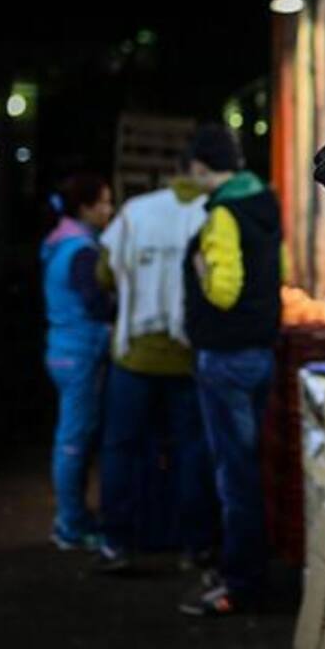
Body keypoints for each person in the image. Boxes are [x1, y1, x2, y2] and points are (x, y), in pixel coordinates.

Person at [176, 125, 282, 616]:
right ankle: (247, 569)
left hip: (226, 357)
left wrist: (200, 268)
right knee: (246, 467)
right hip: (260, 353)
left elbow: (224, 291)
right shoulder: (265, 201)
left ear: (201, 166)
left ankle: (241, 582)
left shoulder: (223, 213)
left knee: (233, 474)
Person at [94, 165, 215, 573]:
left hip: (134, 356)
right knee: (190, 450)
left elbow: (105, 273)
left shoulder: (133, 212)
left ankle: (117, 542)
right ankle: (194, 545)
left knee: (121, 449)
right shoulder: (207, 212)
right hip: (185, 356)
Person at [41, 173, 115, 550]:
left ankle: (74, 518)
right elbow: (95, 304)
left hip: (64, 348)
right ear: (85, 208)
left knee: (74, 436)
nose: (109, 209)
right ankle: (71, 525)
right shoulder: (81, 250)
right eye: (103, 202)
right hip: (79, 352)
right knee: (74, 440)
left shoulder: (60, 243)